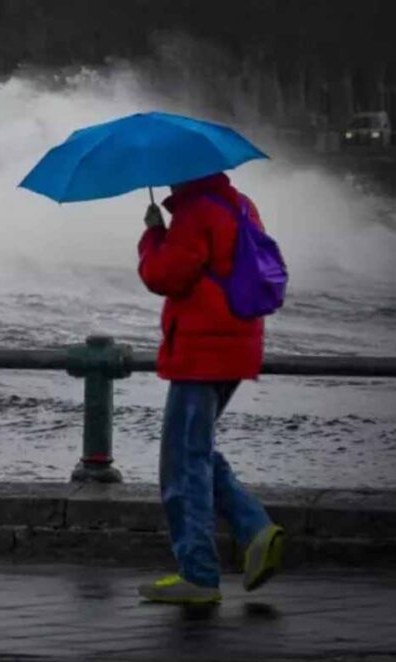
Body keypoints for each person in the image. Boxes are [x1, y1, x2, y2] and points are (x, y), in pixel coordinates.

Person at [136, 172, 284, 605]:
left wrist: (151, 236)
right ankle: (255, 530)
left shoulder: (195, 212)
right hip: (237, 343)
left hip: (202, 351)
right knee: (193, 450)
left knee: (182, 461)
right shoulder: (240, 205)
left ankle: (199, 575)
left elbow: (165, 276)